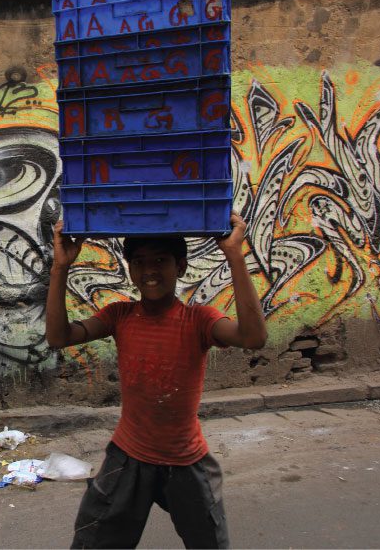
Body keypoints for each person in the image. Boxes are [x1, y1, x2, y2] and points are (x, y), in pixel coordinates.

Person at [46, 213, 267, 549]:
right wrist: (60, 267)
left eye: (160, 261)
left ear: (179, 266)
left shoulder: (198, 320)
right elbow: (58, 337)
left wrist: (235, 255)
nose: (149, 271)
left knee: (210, 542)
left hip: (185, 461)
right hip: (128, 458)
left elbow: (253, 338)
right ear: (130, 269)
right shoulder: (119, 316)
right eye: (139, 262)